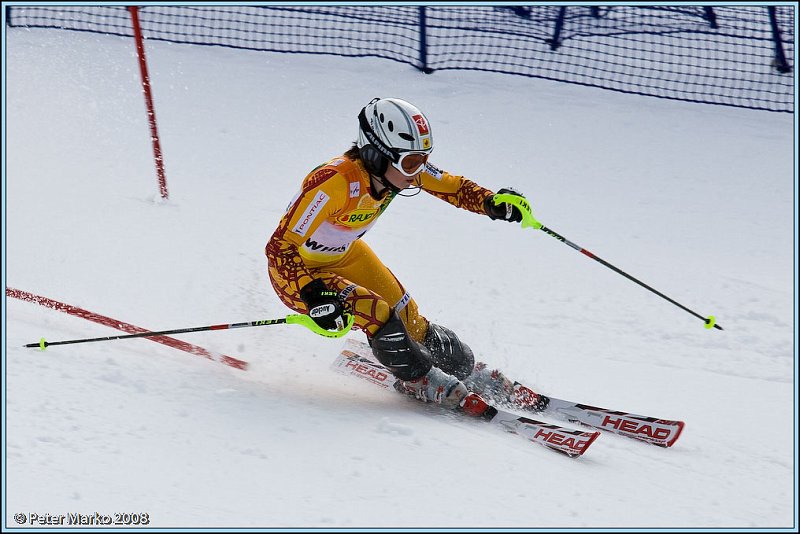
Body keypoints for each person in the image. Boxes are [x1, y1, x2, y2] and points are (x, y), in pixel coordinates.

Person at [266, 97, 544, 416]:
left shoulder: (396, 170)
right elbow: (280, 247)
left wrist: (491, 202)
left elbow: (450, 186)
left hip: (345, 256)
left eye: (424, 160)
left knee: (410, 318)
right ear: (375, 153)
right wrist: (313, 295)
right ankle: (418, 378)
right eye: (413, 162)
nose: (419, 172)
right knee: (379, 312)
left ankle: (467, 370)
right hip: (299, 275)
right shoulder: (335, 182)